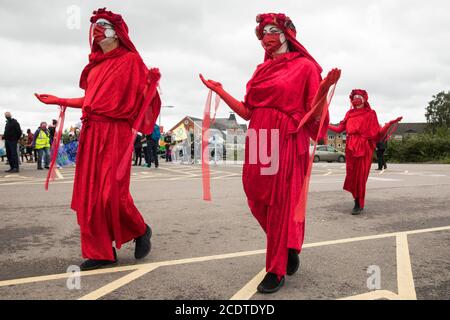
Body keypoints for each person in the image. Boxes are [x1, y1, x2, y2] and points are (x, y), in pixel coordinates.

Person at [200, 13, 340, 294]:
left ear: (288, 34)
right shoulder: (260, 71)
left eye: (272, 30)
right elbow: (247, 111)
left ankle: (275, 269)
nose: (266, 37)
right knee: (255, 197)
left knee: (279, 204)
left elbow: (314, 115)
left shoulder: (305, 67)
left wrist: (323, 90)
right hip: (259, 138)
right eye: (262, 33)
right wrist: (220, 90)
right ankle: (287, 245)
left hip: (286, 138)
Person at [34, 8, 161, 271]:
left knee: (110, 194)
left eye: (103, 24)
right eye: (94, 26)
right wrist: (60, 100)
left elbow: (143, 99)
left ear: (117, 31)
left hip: (117, 133)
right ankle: (101, 252)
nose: (97, 29)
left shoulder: (131, 61)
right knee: (90, 196)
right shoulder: (93, 68)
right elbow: (90, 102)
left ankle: (140, 229)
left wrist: (151, 85)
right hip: (91, 133)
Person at [328, 89, 402, 215]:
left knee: (360, 177)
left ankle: (358, 203)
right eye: (354, 96)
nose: (356, 98)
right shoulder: (349, 114)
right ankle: (356, 200)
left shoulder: (370, 114)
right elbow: (340, 129)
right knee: (352, 175)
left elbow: (378, 135)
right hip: (351, 147)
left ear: (364, 99)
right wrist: (325, 124)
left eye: (359, 96)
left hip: (364, 148)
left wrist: (389, 124)